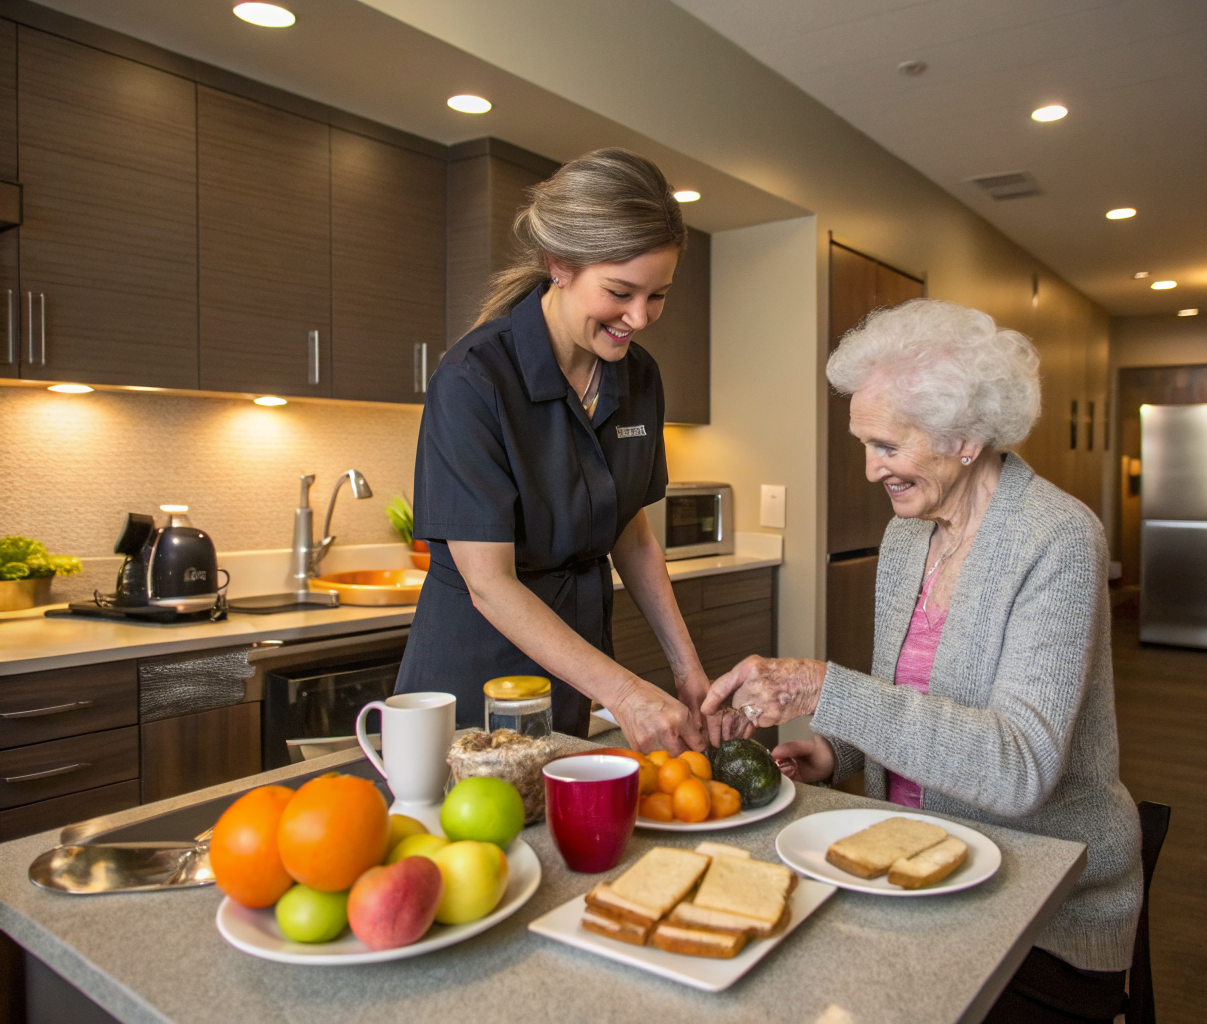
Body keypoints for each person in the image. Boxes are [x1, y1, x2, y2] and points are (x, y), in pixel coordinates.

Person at [701, 298, 1143, 1023]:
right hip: (899, 868)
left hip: (1039, 909)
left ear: (964, 438)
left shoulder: (1057, 538)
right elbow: (907, 694)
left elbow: (1018, 768)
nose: (871, 470)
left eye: (886, 446)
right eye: (863, 444)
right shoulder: (908, 535)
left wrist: (821, 686)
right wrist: (833, 747)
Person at [396, 149, 708, 755]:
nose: (639, 317)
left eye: (658, 295)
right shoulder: (474, 378)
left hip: (572, 670)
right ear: (559, 264)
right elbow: (489, 584)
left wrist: (685, 668)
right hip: (474, 677)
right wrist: (625, 692)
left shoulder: (637, 376)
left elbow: (631, 533)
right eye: (620, 292)